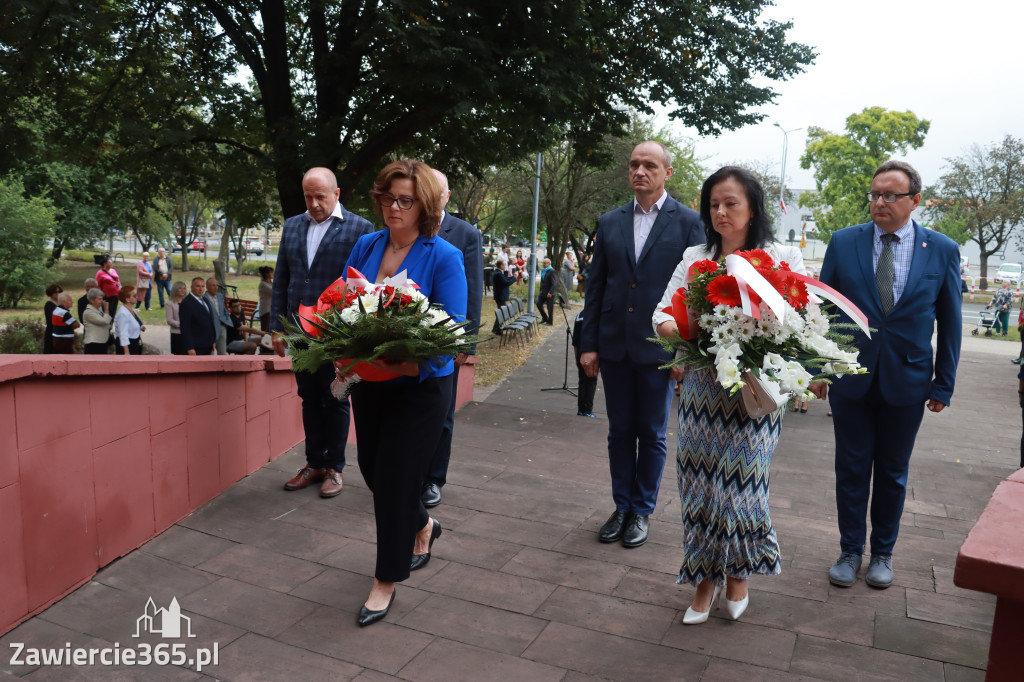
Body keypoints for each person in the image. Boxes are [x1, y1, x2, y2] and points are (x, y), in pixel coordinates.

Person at [653, 166, 806, 623]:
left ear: (753, 207)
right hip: (702, 392)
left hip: (755, 393)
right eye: (713, 204)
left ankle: (737, 574)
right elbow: (663, 312)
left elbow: (801, 314)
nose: (721, 212)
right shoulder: (695, 256)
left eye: (731, 203)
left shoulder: (780, 257)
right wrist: (677, 332)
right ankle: (703, 580)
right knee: (700, 487)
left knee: (742, 489)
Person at [811, 160, 961, 590]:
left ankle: (883, 555)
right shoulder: (844, 243)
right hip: (850, 376)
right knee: (852, 468)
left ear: (915, 200)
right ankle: (849, 551)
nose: (880, 202)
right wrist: (820, 367)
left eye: (890, 196)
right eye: (875, 194)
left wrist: (943, 383)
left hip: (909, 381)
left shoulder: (943, 250)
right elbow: (823, 311)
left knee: (894, 472)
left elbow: (950, 324)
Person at [344, 159, 467, 627]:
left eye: (405, 200)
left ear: (425, 206)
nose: (393, 208)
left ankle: (385, 580)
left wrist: (405, 359)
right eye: (387, 198)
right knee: (373, 469)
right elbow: (344, 304)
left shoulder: (443, 255)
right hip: (371, 384)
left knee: (395, 482)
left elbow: (454, 334)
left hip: (420, 388)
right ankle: (424, 525)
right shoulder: (365, 244)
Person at [579, 140, 704, 549]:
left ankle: (642, 510)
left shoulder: (688, 223)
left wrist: (685, 352)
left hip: (660, 348)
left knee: (651, 433)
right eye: (634, 164)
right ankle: (621, 506)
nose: (639, 171)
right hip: (614, 345)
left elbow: (695, 294)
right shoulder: (610, 221)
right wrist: (589, 344)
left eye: (649, 165)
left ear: (668, 172)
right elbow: (596, 288)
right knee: (619, 432)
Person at [271, 167, 373, 498]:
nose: (313, 203)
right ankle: (314, 463)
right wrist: (277, 327)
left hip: (338, 333)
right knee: (309, 398)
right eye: (308, 196)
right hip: (299, 331)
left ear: (337, 194)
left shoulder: (360, 228)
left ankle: (335, 468)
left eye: (320, 196)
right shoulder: (292, 225)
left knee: (336, 398)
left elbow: (363, 287)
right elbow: (282, 279)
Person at [421, 169, 484, 509]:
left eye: (436, 191)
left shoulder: (465, 233)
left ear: (446, 196)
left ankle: (433, 479)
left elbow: (474, 290)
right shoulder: (406, 226)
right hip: (407, 337)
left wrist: (466, 344)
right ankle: (410, 472)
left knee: (442, 412)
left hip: (445, 339)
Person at [179, 277, 217, 356]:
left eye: (202, 286)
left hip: (208, 344)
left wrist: (212, 341)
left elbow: (210, 321)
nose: (201, 289)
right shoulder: (186, 303)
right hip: (196, 347)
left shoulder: (205, 300)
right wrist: (189, 347)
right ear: (191, 287)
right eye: (198, 286)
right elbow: (185, 328)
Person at [572, 308, 597, 418]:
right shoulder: (597, 315)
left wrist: (576, 358)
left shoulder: (579, 315)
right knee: (591, 381)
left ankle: (580, 409)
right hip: (593, 354)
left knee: (582, 382)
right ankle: (588, 409)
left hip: (580, 353)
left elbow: (575, 340)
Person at [204, 278, 233, 355]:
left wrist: (227, 321)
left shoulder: (220, 296)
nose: (216, 287)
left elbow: (224, 310)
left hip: (222, 326)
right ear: (207, 287)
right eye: (213, 285)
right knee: (211, 352)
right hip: (211, 328)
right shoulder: (203, 298)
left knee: (223, 352)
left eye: (217, 285)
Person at [113, 286, 145, 355]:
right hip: (128, 345)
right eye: (134, 296)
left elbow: (133, 322)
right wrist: (126, 351)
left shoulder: (131, 310)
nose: (137, 297)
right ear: (127, 299)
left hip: (134, 343)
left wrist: (140, 326)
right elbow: (123, 334)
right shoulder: (123, 313)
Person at [82, 288, 111, 354]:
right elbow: (105, 322)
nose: (102, 301)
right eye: (99, 299)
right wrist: (106, 309)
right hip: (93, 344)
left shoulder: (98, 310)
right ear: (92, 300)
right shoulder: (88, 312)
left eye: (102, 299)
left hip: (101, 342)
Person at [491, 259, 517, 334]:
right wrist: (514, 278)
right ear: (501, 265)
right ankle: (497, 329)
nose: (505, 266)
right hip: (500, 296)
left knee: (501, 312)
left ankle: (496, 328)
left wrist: (512, 277)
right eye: (505, 264)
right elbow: (506, 282)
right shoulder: (498, 274)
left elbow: (506, 279)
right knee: (502, 313)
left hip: (500, 295)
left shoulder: (498, 272)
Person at [165, 281, 188, 355]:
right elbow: (169, 320)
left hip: (188, 334)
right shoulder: (170, 304)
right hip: (177, 335)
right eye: (180, 288)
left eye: (184, 288)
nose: (182, 290)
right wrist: (182, 325)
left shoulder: (188, 302)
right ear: (175, 290)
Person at [96, 255, 121, 320]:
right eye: (109, 262)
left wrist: (120, 288)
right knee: (107, 311)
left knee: (113, 311)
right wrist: (100, 296)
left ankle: (111, 324)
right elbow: (97, 285)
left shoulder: (113, 270)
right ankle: (107, 326)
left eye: (111, 262)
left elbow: (117, 280)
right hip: (107, 296)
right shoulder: (100, 273)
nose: (111, 264)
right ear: (105, 264)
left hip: (116, 295)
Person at [42, 283, 63, 354]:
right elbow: (51, 320)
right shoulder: (49, 305)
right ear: (51, 293)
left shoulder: (61, 304)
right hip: (52, 332)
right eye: (55, 292)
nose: (58, 294)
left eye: (59, 292)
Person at [537, 258, 556, 325]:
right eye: (543, 263)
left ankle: (550, 321)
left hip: (549, 293)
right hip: (543, 292)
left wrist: (550, 292)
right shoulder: (543, 270)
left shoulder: (552, 271)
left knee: (549, 308)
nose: (543, 264)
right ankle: (545, 317)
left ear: (549, 263)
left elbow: (554, 283)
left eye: (545, 263)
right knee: (538, 303)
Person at [257, 266, 274, 332]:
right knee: (266, 330)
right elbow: (274, 292)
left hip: (270, 310)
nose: (273, 274)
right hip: (266, 311)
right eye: (271, 272)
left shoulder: (270, 283)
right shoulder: (263, 284)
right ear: (266, 274)